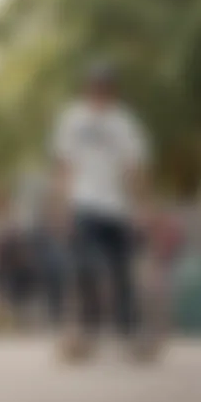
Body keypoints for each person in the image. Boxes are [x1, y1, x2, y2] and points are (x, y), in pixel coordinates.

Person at [52, 60, 153, 359]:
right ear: (87, 87)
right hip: (83, 203)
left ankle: (129, 331)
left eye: (105, 87)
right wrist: (61, 205)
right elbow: (64, 165)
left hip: (117, 207)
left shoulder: (124, 122)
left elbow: (134, 166)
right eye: (95, 86)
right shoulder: (72, 119)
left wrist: (142, 206)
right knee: (84, 266)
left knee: (121, 269)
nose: (99, 92)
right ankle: (85, 330)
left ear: (113, 90)